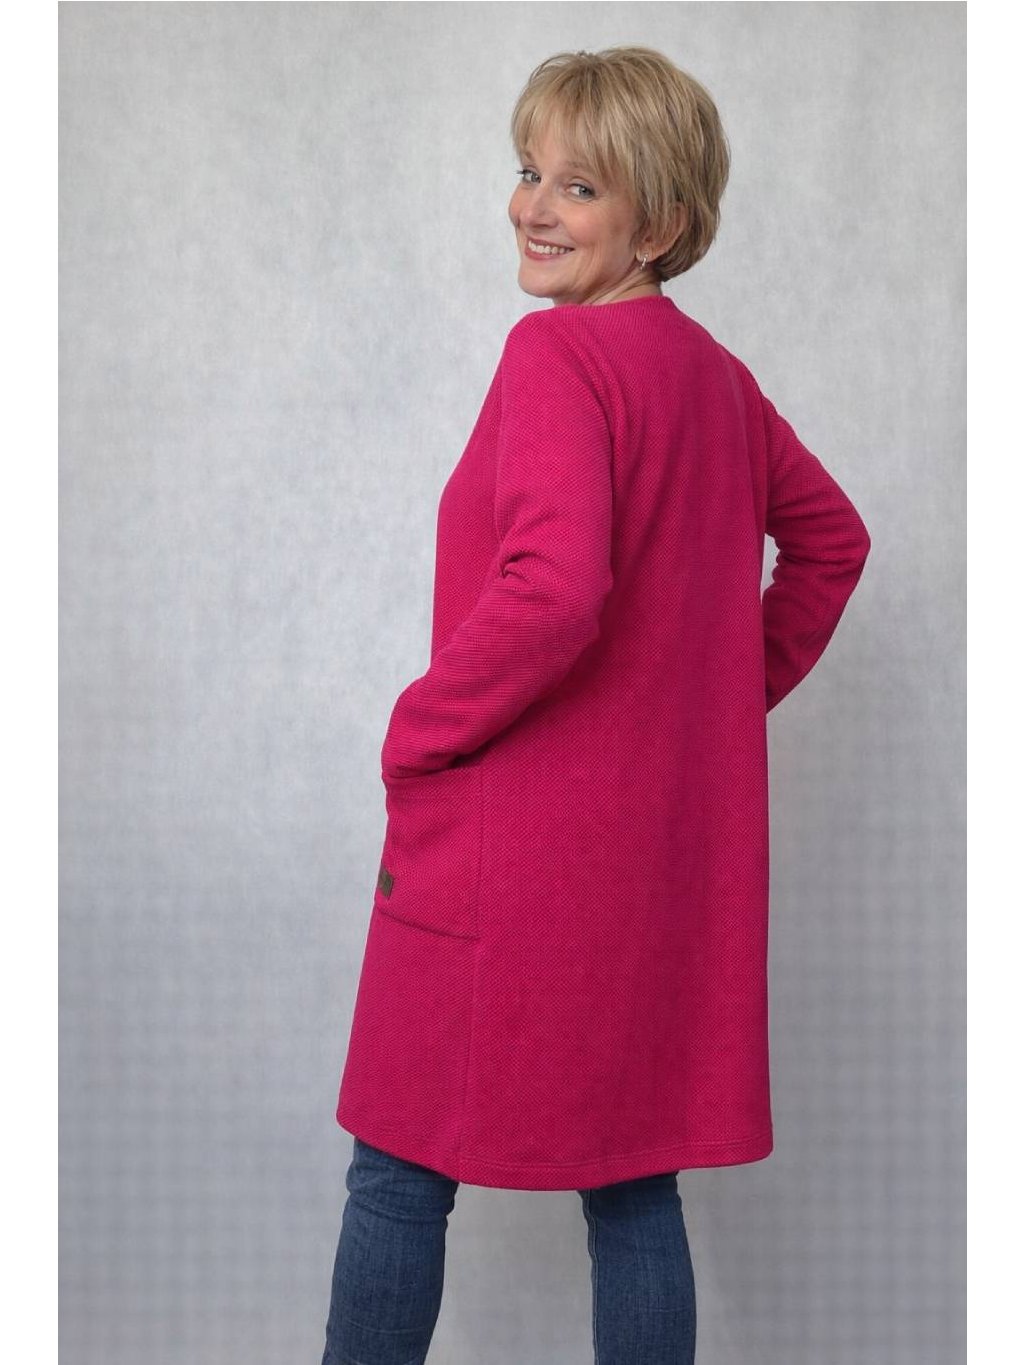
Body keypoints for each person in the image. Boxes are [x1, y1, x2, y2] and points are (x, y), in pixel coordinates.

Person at [320, 44, 871, 1365]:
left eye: (579, 186)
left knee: (398, 1166)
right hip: (656, 866)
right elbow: (833, 541)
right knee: (631, 1184)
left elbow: (558, 588)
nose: (534, 207)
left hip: (510, 850)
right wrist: (710, 707)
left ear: (659, 223)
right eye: (529, 172)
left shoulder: (558, 355)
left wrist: (423, 724)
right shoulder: (717, 382)